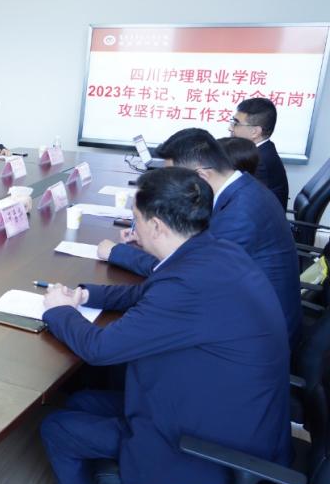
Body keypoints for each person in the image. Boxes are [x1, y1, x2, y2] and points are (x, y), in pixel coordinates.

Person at [40, 167, 291, 484]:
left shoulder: (188, 284)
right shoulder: (212, 251)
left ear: (156, 225)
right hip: (232, 413)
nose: (132, 229)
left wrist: (58, 312)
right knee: (83, 400)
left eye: (136, 220)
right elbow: (149, 293)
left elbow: (100, 349)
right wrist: (85, 295)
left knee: (56, 427)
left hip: (216, 448)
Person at [97, 128, 300, 344]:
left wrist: (118, 252)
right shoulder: (242, 188)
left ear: (202, 176)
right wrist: (151, 235)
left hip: (254, 335)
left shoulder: (239, 215)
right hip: (244, 312)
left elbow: (183, 268)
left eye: (172, 179)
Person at [231, 97, 288, 209]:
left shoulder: (260, 162)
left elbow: (249, 205)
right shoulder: (263, 150)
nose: (230, 128)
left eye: (236, 123)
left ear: (255, 132)